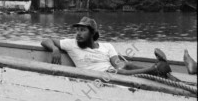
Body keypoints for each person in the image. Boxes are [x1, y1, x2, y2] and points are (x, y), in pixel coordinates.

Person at [41, 17, 175, 77]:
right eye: (77, 30)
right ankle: (155, 69)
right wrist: (55, 49)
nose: (78, 34)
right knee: (117, 72)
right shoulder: (72, 44)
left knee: (125, 65)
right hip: (98, 77)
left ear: (92, 33)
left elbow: (117, 64)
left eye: (83, 30)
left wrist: (120, 66)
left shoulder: (107, 46)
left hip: (113, 72)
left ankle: (157, 70)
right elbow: (45, 40)